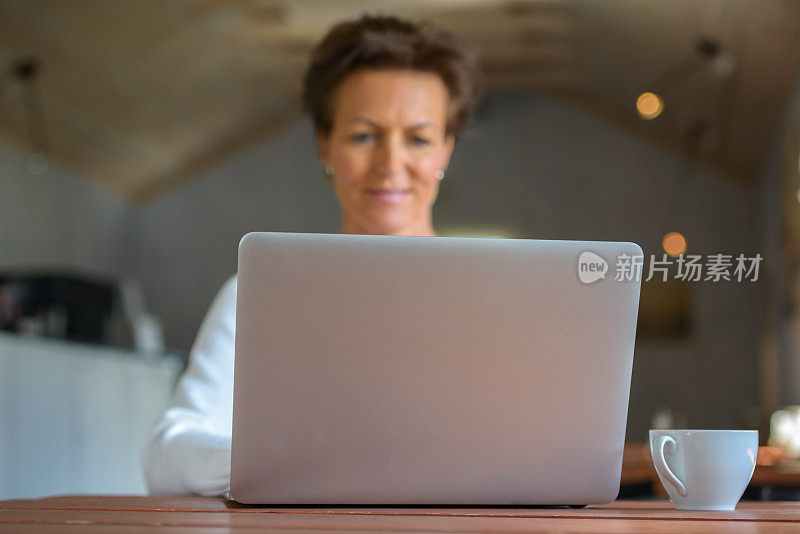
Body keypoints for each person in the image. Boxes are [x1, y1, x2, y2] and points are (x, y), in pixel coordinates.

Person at [141, 14, 484, 495]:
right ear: (326, 145)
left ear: (445, 151)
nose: (390, 165)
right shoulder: (260, 293)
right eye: (364, 135)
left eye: (419, 139)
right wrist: (288, 462)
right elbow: (166, 455)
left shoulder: (491, 300)